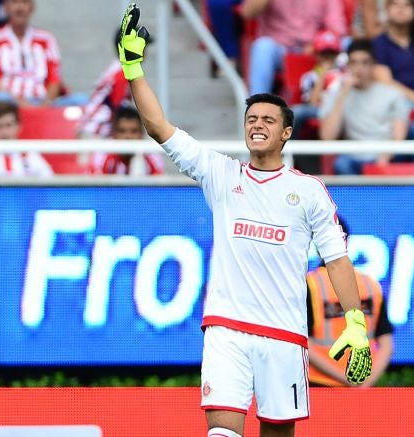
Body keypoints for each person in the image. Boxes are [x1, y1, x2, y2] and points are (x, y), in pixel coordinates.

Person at [118, 4, 372, 436]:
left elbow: (336, 260)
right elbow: (158, 126)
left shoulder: (309, 191)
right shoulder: (221, 174)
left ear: (286, 132)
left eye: (268, 120)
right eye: (251, 119)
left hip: (285, 335)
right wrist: (133, 68)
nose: (257, 125)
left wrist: (355, 321)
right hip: (226, 329)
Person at [306, 218, 393, 387]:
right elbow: (386, 344)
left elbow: (302, 343)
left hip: (319, 386)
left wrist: (348, 380)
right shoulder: (370, 285)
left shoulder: (309, 284)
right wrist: (365, 381)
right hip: (361, 386)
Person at [319, 38, 411, 174]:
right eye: (354, 63)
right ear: (348, 65)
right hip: (353, 157)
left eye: (365, 62)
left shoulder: (392, 94)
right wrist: (344, 93)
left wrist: (386, 156)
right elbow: (327, 137)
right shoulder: (336, 94)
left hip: (385, 155)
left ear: (374, 64)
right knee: (341, 164)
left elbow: (399, 136)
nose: (359, 68)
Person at [0, 0, 84, 107]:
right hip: (9, 104)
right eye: (14, 2)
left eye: (25, 2)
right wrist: (22, 104)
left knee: (81, 100)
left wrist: (45, 103)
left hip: (43, 101)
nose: (20, 8)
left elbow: (54, 79)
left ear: (32, 8)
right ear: (5, 7)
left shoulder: (46, 39)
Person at [240, 0, 347, 94]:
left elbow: (337, 28)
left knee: (348, 43)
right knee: (262, 47)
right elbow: (247, 13)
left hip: (316, 51)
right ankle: (256, 108)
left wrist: (317, 43)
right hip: (280, 51)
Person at [77, 27, 134, 139]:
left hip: (92, 129)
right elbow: (118, 109)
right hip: (96, 133)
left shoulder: (117, 68)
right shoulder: (122, 73)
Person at [90, 106, 165, 176]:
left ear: (142, 133)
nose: (128, 136)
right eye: (122, 131)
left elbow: (160, 185)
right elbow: (95, 184)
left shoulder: (151, 154)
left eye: (134, 131)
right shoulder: (103, 154)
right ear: (113, 133)